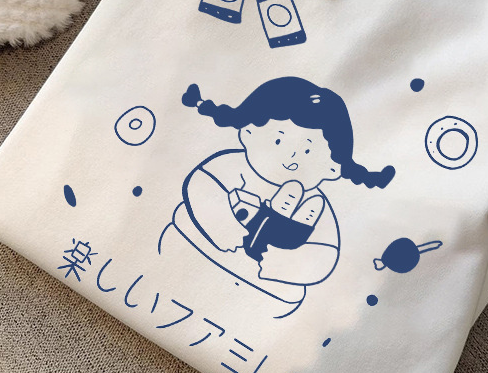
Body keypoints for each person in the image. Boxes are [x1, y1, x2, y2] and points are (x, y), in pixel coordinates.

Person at [169, 77, 395, 289]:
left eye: (309, 151)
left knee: (297, 205)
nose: (292, 159)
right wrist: (227, 231)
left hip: (261, 288)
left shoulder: (312, 203)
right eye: (278, 140)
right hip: (193, 252)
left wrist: (275, 262)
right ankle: (266, 228)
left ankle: (271, 231)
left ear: (333, 169)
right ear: (247, 131)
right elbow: (202, 185)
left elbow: (325, 252)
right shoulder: (232, 165)